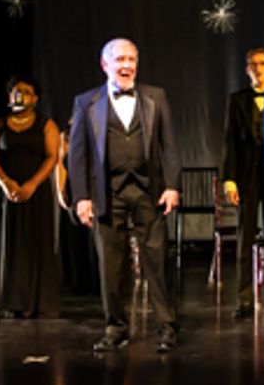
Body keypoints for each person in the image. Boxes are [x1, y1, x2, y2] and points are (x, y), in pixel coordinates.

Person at [68, 38, 182, 353]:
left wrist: (172, 185)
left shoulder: (155, 97)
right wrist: (82, 197)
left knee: (157, 261)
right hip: (107, 193)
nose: (126, 66)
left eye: (131, 59)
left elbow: (169, 145)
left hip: (149, 190)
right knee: (111, 264)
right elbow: (77, 155)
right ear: (105, 64)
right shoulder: (86, 102)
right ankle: (115, 327)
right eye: (120, 60)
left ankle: (167, 326)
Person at [0, 76, 62, 318]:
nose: (20, 95)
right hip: (6, 191)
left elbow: (52, 157)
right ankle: (10, 301)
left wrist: (32, 184)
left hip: (37, 190)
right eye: (16, 91)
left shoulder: (46, 125)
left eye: (26, 92)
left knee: (37, 241)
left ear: (35, 98)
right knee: (9, 242)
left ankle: (39, 303)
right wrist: (6, 183)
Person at [221, 47, 264, 320]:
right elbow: (230, 141)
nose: (259, 69)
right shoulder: (237, 100)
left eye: (263, 64)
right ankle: (244, 298)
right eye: (253, 65)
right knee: (245, 238)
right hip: (247, 176)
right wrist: (229, 181)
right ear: (247, 69)